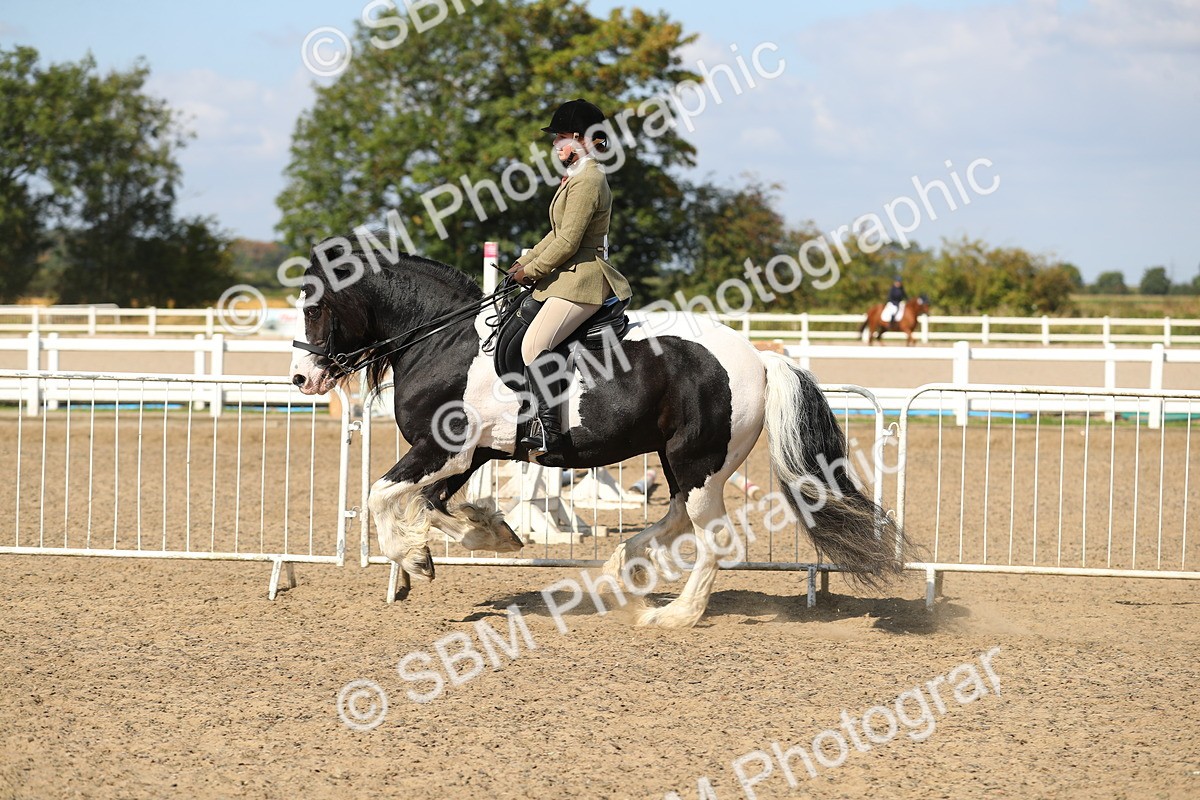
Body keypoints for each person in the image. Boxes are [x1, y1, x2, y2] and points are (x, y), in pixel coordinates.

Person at [506, 99, 632, 457]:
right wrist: (523, 262)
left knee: (534, 345)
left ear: (579, 138)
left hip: (583, 280)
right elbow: (556, 233)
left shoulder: (588, 180)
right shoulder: (577, 177)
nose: (554, 144)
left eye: (559, 137)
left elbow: (568, 242)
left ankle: (551, 433)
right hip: (567, 277)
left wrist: (533, 271)